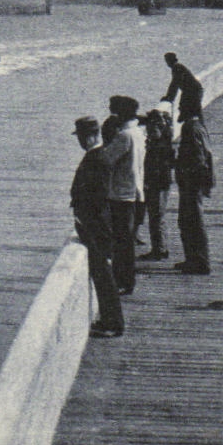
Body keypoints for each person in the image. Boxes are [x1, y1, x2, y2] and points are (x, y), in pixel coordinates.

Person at [70, 116, 123, 338]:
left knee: (104, 276)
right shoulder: (98, 156)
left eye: (81, 137)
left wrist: (88, 221)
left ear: (91, 136)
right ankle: (109, 320)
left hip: (96, 227)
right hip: (95, 225)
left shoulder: (98, 159)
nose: (80, 142)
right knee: (102, 275)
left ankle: (113, 323)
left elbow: (98, 197)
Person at [100, 95, 145, 296]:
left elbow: (106, 159)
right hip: (134, 192)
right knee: (126, 240)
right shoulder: (137, 133)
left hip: (121, 194)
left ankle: (123, 281)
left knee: (121, 242)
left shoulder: (124, 136)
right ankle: (126, 280)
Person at [173, 114, 214, 274]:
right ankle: (193, 259)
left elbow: (198, 158)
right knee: (188, 221)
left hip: (191, 182)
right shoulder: (197, 126)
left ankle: (200, 262)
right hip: (192, 181)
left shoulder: (191, 128)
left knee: (193, 221)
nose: (179, 108)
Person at [139, 102, 175, 260]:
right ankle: (161, 247)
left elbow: (155, 167)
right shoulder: (165, 143)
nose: (148, 130)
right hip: (162, 183)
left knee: (156, 217)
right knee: (158, 216)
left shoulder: (158, 147)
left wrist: (148, 182)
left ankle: (159, 249)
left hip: (157, 184)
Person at [161, 52, 204, 124]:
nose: (167, 63)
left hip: (193, 91)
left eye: (167, 61)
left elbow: (175, 83)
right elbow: (174, 84)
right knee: (192, 110)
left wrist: (169, 97)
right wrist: (170, 96)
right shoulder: (177, 67)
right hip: (192, 91)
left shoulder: (177, 67)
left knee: (192, 110)